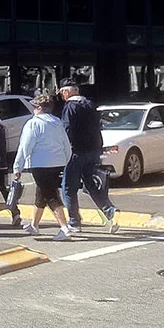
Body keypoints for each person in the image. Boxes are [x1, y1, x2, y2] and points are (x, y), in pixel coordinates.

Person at [12, 93, 74, 239]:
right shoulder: (57, 122)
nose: (33, 109)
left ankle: (65, 228)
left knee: (51, 195)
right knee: (42, 194)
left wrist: (17, 167)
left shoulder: (33, 123)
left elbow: (25, 147)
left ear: (39, 108)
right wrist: (65, 161)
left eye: (34, 106)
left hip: (40, 164)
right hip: (58, 162)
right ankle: (34, 225)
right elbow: (67, 145)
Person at [59, 83, 119, 234]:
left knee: (68, 188)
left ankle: (74, 221)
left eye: (62, 93)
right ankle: (109, 210)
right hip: (93, 150)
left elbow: (67, 129)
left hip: (75, 151)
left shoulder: (70, 107)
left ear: (66, 92)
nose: (62, 96)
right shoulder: (91, 105)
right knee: (90, 183)